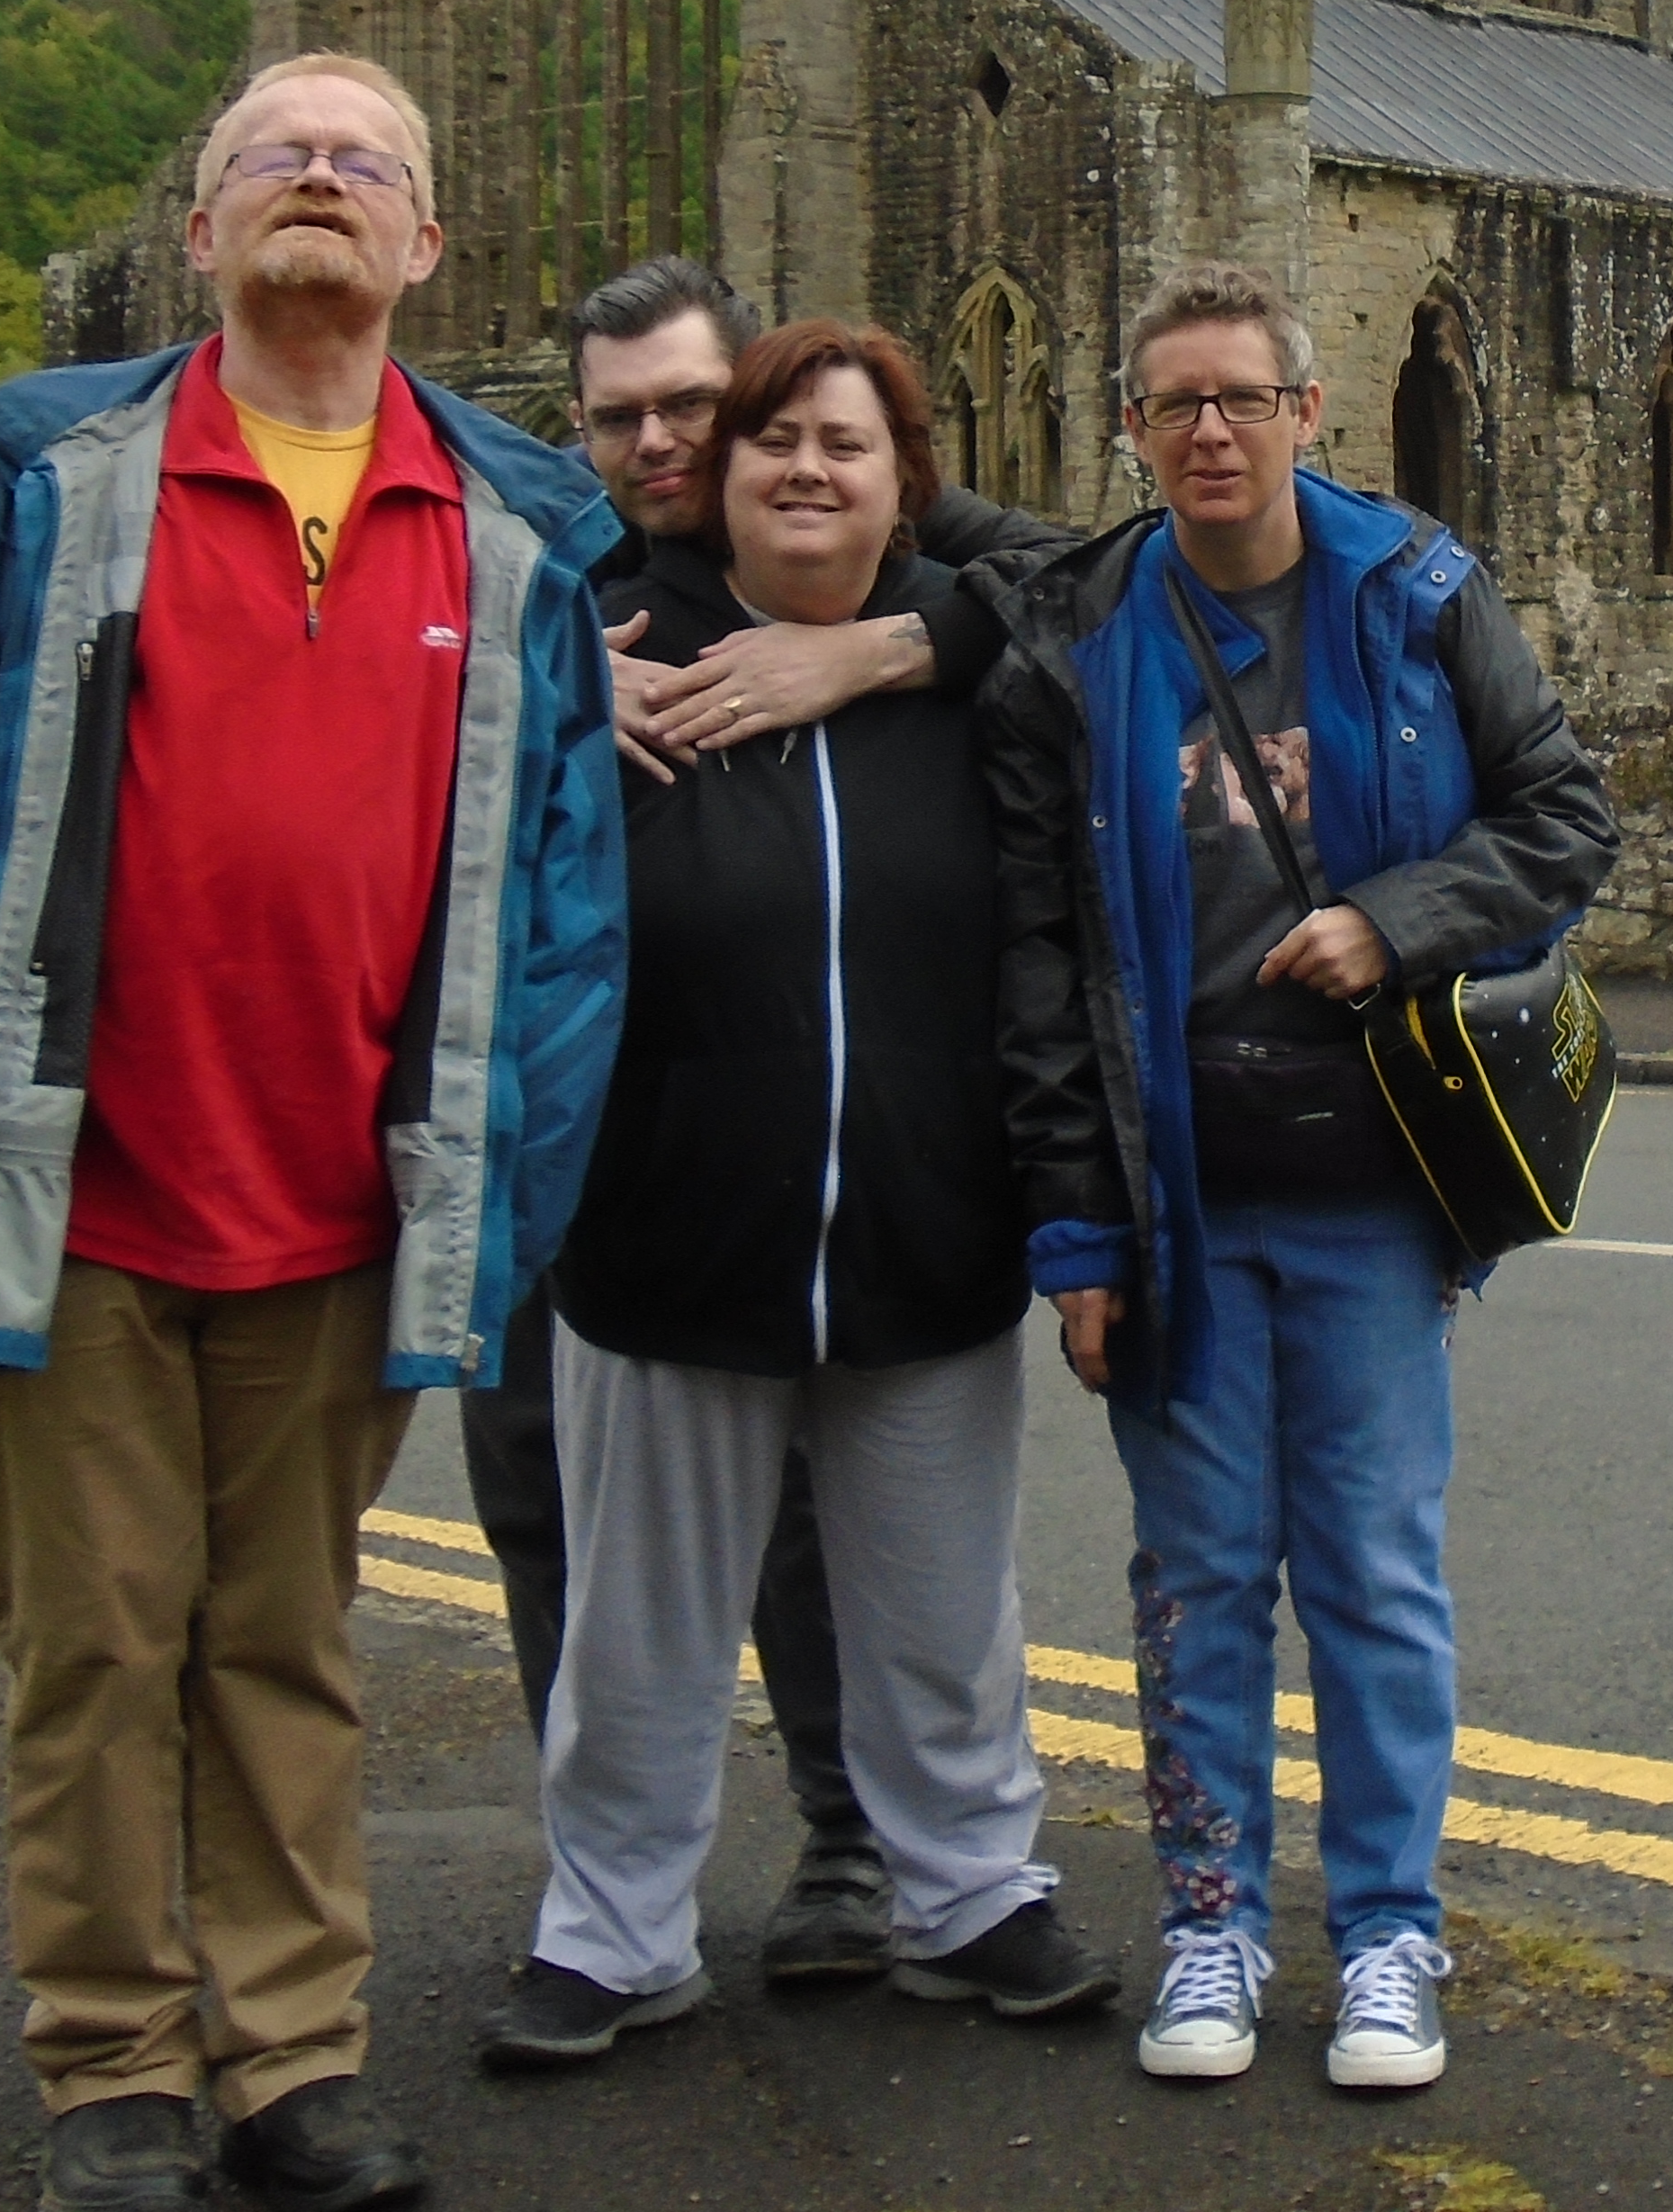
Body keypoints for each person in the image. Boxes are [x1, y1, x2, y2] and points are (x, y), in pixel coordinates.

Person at [0, 52, 626, 2212]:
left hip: (349, 1200)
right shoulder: (60, 491)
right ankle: (112, 2071)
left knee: (285, 1647)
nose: (319, 181)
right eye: (275, 157)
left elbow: (568, 908)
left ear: (427, 243)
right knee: (93, 1648)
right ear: (201, 231)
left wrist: (506, 1183)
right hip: (73, 1184)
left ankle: (290, 2062)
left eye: (367, 162)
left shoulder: (514, 536)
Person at [983, 262, 1615, 2093]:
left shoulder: (1411, 592)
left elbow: (1563, 818)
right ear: (1131, 426)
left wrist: (1393, 919)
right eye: (1173, 403)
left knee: (1371, 1577)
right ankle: (1210, 1925)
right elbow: (1040, 962)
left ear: (1305, 413)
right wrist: (1074, 1235)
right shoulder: (1078, 632)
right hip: (1173, 1195)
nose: (1209, 431)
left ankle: (1389, 1938)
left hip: (1373, 1187)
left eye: (1241, 399)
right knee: (1194, 1580)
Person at [481, 322, 1121, 2074]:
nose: (806, 470)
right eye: (772, 440)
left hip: (923, 1236)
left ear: (906, 479)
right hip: (663, 1240)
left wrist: (885, 650)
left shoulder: (974, 657)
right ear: (721, 474)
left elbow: (1121, 582)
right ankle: (611, 1931)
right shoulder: (609, 643)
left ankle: (967, 1897)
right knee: (641, 1629)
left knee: (943, 1615)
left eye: (845, 443)